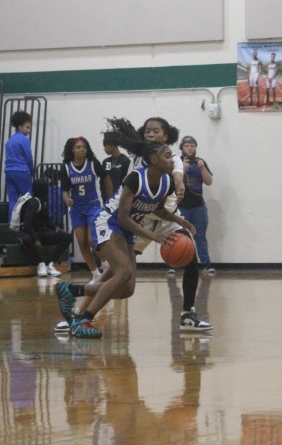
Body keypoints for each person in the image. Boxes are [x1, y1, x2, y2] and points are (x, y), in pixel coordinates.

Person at [55, 141, 192, 338]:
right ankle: (82, 320)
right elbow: (122, 218)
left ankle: (72, 290)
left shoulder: (167, 183)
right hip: (108, 222)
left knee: (127, 289)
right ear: (154, 159)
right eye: (167, 156)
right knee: (124, 271)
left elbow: (158, 209)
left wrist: (180, 221)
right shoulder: (135, 178)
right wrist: (154, 236)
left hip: (125, 231)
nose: (172, 160)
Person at [107, 116, 213, 331]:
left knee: (191, 258)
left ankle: (188, 314)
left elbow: (177, 174)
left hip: (166, 217)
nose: (151, 134)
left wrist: (180, 184)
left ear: (166, 136)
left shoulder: (171, 158)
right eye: (147, 131)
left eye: (156, 131)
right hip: (140, 219)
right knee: (118, 273)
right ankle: (82, 303)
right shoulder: (137, 157)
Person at [59, 136, 113, 282]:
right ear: (72, 149)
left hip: (93, 205)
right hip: (77, 209)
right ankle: (95, 274)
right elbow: (64, 190)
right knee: (81, 242)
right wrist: (67, 199)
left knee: (92, 240)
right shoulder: (66, 167)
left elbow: (106, 178)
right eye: (78, 147)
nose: (82, 149)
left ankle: (105, 263)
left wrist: (110, 200)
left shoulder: (93, 163)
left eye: (84, 147)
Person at [19, 178, 72, 277]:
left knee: (67, 236)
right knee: (26, 239)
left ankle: (49, 264)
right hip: (32, 235)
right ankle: (40, 264)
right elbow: (27, 223)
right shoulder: (33, 203)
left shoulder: (42, 202)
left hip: (42, 234)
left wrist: (55, 228)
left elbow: (47, 219)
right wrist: (35, 240)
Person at [178, 135, 214, 274]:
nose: (189, 148)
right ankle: (176, 264)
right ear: (182, 148)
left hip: (198, 206)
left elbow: (209, 182)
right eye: (187, 146)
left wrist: (202, 167)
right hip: (181, 206)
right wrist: (182, 169)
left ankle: (206, 264)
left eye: (192, 146)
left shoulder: (201, 162)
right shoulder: (177, 162)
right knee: (179, 236)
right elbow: (170, 182)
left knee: (200, 236)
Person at [4, 111, 34, 220]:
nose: (29, 130)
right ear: (20, 127)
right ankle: (28, 223)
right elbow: (29, 158)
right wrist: (32, 171)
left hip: (9, 172)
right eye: (27, 127)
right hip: (22, 171)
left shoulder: (9, 141)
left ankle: (12, 224)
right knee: (28, 199)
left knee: (13, 200)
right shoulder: (24, 140)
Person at [100, 133, 130, 202]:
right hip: (107, 200)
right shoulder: (105, 162)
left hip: (120, 199)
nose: (104, 149)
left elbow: (128, 182)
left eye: (105, 146)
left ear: (112, 145)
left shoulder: (125, 161)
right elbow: (102, 182)